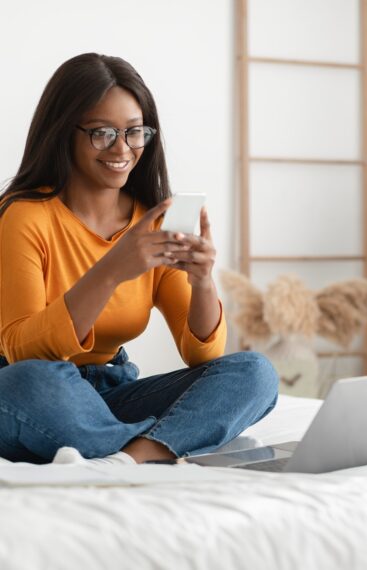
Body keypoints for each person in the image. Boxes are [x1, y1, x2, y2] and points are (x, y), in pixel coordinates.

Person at [0, 53, 278, 466]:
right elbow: (23, 352)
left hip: (113, 391)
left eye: (134, 132)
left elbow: (203, 358)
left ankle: (133, 456)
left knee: (255, 372)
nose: (122, 148)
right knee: (32, 382)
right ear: (63, 132)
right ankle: (176, 444)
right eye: (102, 133)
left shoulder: (153, 220)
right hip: (40, 392)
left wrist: (202, 280)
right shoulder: (23, 215)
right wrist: (112, 270)